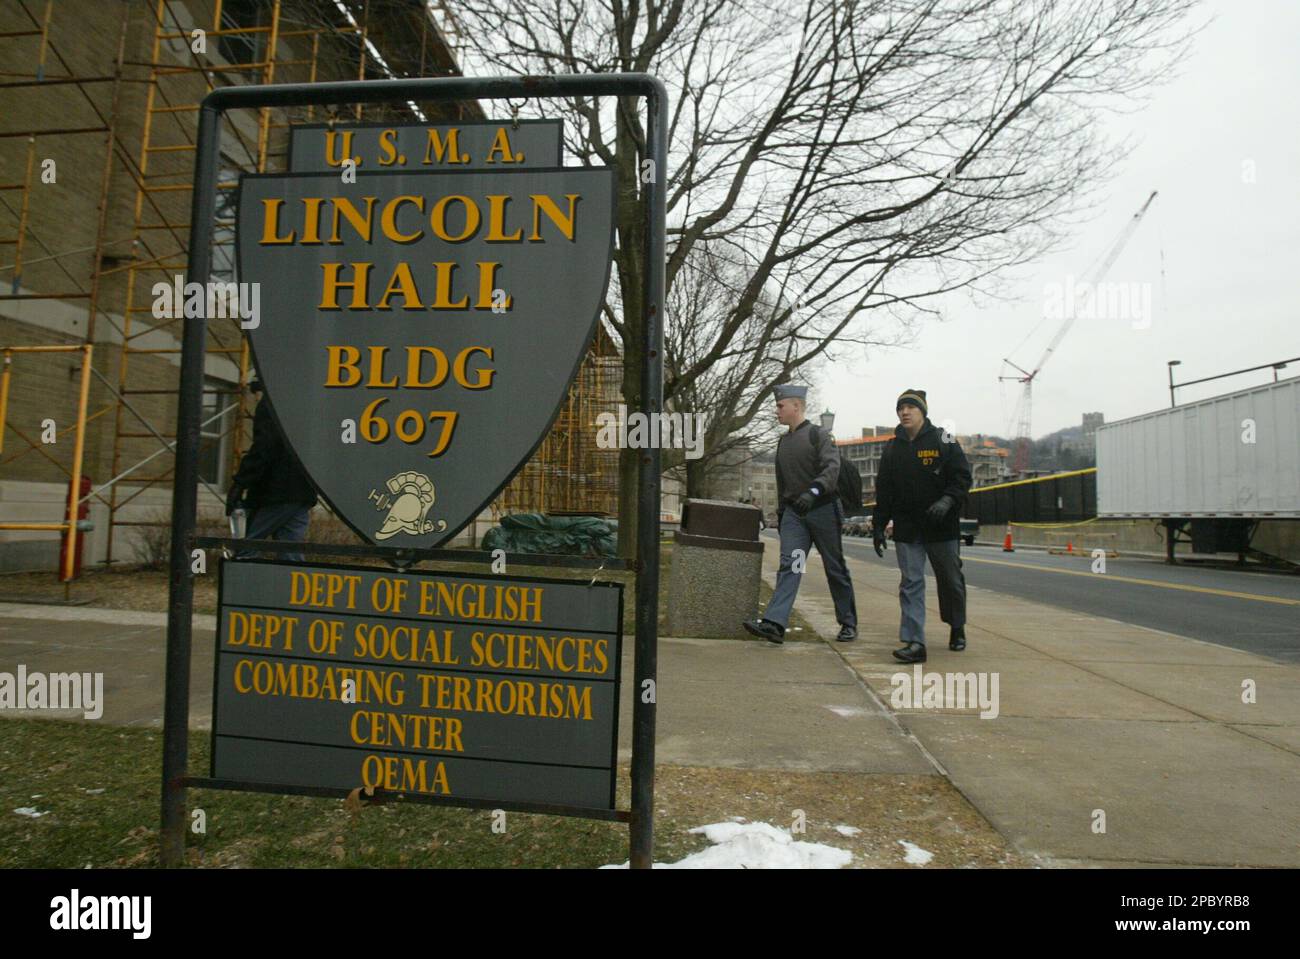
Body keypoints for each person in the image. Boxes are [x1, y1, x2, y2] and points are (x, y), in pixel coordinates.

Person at [743, 384, 857, 644]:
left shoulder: (819, 435)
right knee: (791, 566)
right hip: (795, 514)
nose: (777, 411)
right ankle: (775, 623)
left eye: (780, 406)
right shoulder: (784, 441)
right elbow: (783, 481)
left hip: (823, 510)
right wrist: (783, 514)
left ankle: (848, 622)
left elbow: (831, 468)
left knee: (834, 567)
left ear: (797, 406)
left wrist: (813, 492)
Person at [871, 389, 972, 663]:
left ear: (922, 412)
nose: (904, 412)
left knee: (950, 580)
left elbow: (962, 476)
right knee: (911, 583)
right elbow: (885, 491)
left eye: (910, 408)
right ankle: (915, 641)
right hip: (907, 527)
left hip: (941, 526)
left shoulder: (944, 438)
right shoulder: (892, 447)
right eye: (900, 408)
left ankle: (957, 626)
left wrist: (948, 500)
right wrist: (878, 526)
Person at [226, 379, 317, 562]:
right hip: (303, 490)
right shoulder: (304, 405)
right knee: (290, 551)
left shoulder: (270, 404)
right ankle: (291, 589)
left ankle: (244, 587)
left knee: (248, 546)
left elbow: (264, 448)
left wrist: (240, 483)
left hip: (275, 492)